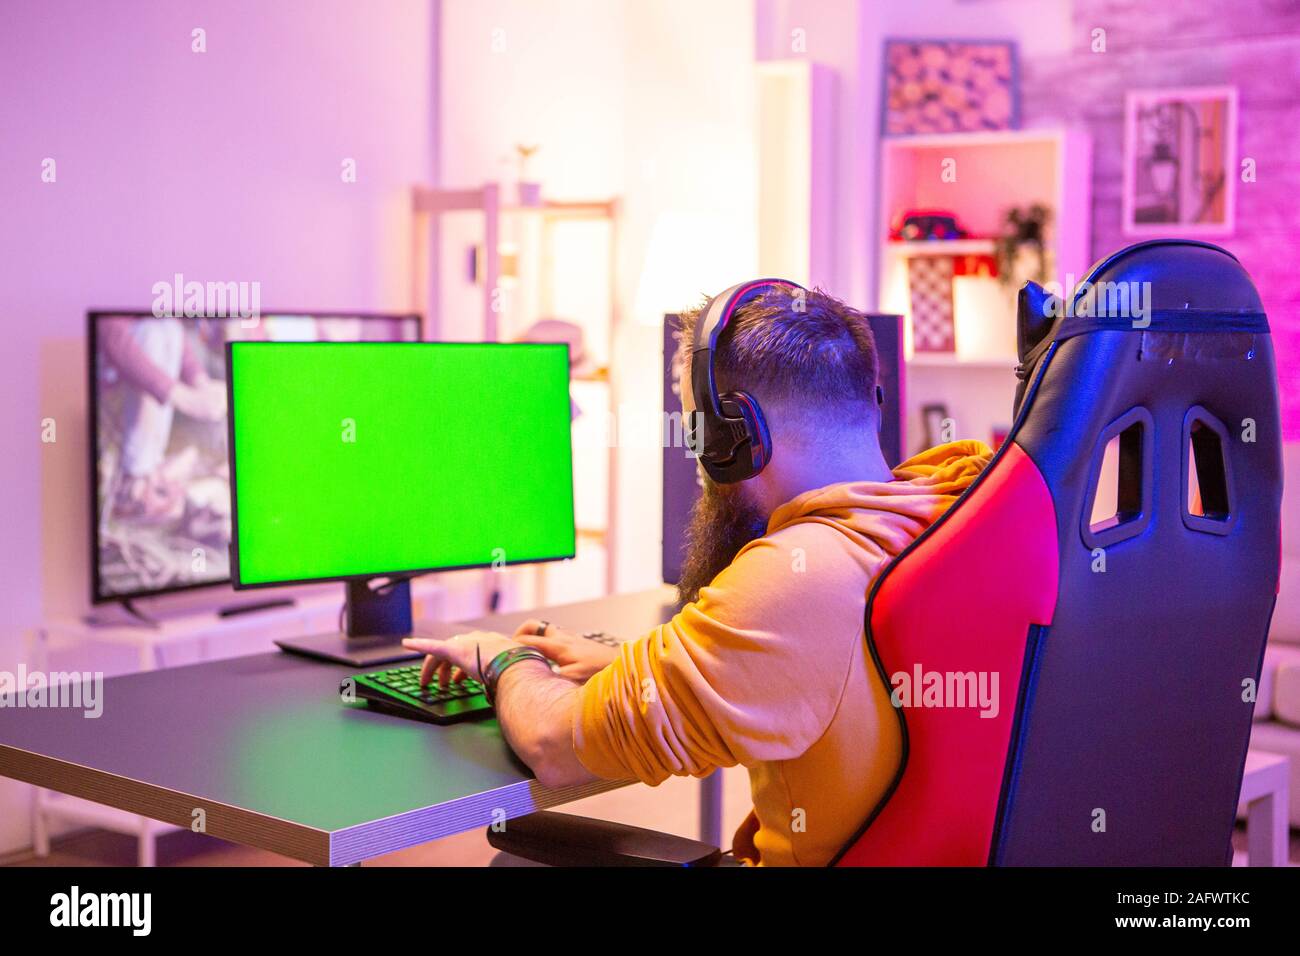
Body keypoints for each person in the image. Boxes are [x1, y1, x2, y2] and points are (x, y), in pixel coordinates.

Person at [404, 284, 991, 865]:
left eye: (695, 430)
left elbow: (553, 746)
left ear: (732, 436)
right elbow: (824, 677)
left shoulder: (795, 577)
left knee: (514, 861)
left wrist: (503, 660)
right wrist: (638, 667)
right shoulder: (963, 503)